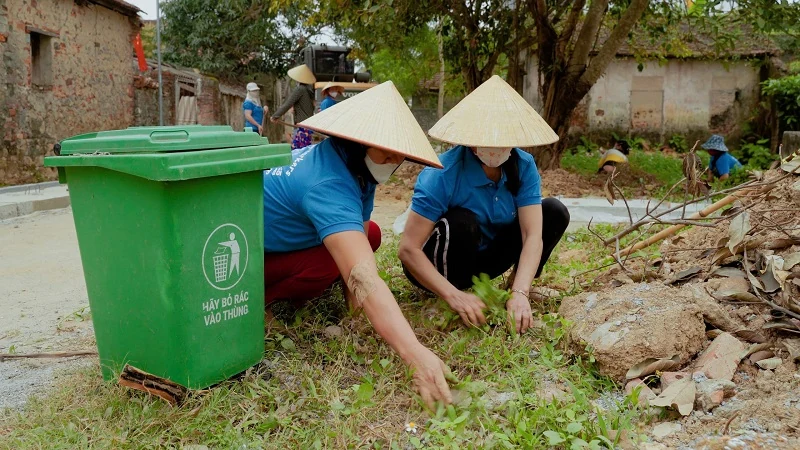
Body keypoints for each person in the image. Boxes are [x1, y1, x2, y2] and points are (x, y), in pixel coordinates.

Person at [262, 81, 453, 408]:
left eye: (399, 153)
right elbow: (361, 273)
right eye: (385, 150)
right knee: (333, 261)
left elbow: (361, 239)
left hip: (287, 240)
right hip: (253, 260)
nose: (393, 159)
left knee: (371, 234)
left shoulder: (357, 169)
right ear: (357, 142)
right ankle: (259, 303)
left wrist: (358, 314)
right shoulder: (328, 183)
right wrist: (415, 354)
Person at [398, 75, 570, 334]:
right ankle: (451, 292)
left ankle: (515, 286)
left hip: (485, 259)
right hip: (440, 262)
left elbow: (532, 234)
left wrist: (520, 292)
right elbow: (408, 249)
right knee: (462, 221)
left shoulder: (523, 166)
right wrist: (454, 295)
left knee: (554, 211)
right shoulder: (442, 173)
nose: (494, 146)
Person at [271, 64, 317, 149]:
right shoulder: (309, 91)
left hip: (302, 127)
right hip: (308, 126)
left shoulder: (300, 89)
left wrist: (275, 116)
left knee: (298, 151)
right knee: (304, 150)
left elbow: (288, 104)